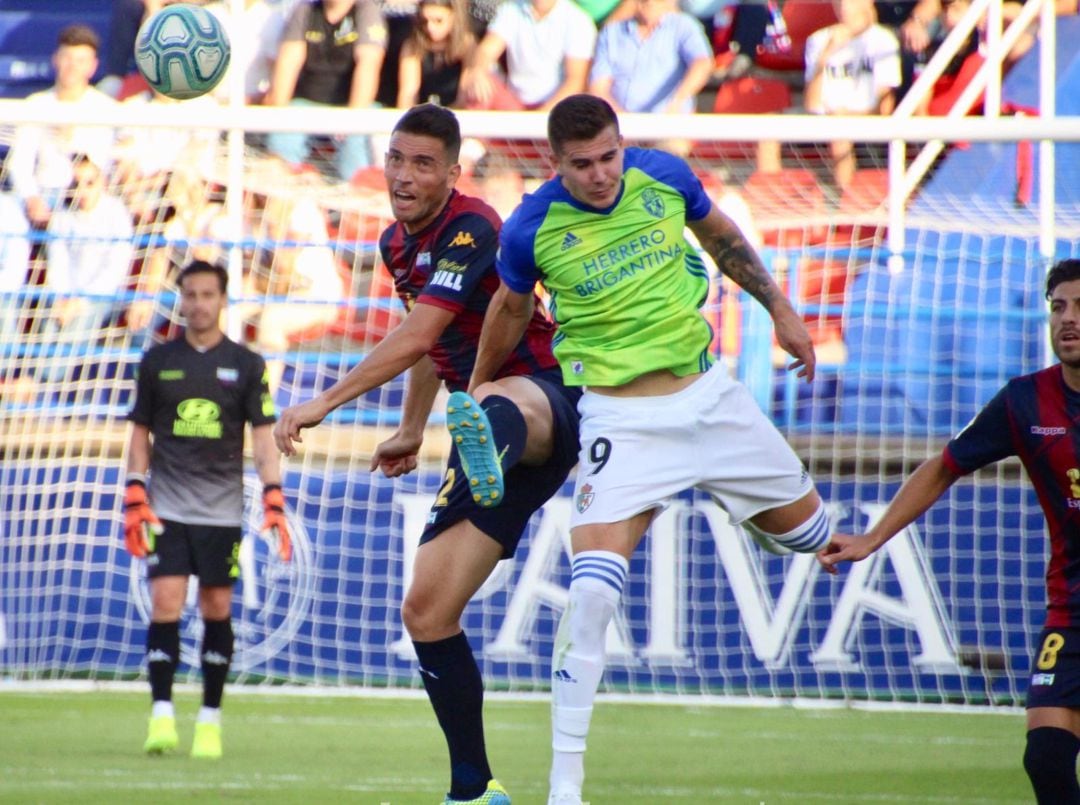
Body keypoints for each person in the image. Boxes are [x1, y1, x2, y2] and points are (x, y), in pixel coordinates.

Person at [464, 94, 832, 805]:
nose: (601, 174)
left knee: (810, 536)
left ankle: (717, 496)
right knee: (594, 591)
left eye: (609, 156)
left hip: (710, 400)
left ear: (621, 145)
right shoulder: (532, 227)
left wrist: (781, 308)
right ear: (556, 163)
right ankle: (565, 787)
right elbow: (510, 310)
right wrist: (480, 385)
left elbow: (722, 238)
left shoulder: (663, 176)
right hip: (619, 421)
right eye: (582, 165)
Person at [272, 103, 582, 805]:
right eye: (396, 159)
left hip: (542, 400)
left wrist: (326, 401)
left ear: (451, 171)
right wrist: (412, 427)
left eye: (423, 164)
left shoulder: (474, 226)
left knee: (500, 400)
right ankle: (475, 789)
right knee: (427, 611)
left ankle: (489, 449)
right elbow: (433, 342)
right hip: (472, 414)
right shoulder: (395, 243)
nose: (405, 176)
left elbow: (418, 335)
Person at [818, 258, 1080, 805]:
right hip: (1072, 612)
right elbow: (943, 466)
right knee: (1046, 759)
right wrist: (871, 539)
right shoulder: (1025, 401)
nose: (1068, 320)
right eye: (1058, 307)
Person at [123, 259, 291, 759]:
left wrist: (274, 493)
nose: (198, 304)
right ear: (181, 299)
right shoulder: (157, 361)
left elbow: (263, 436)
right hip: (167, 507)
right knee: (166, 603)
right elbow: (139, 431)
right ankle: (161, 715)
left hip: (220, 512)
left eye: (207, 295)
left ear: (222, 300)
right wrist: (134, 487)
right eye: (190, 295)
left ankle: (211, 720)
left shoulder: (246, 364)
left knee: (217, 608)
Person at [757, 0, 900, 189]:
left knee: (839, 131)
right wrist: (825, 56)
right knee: (767, 126)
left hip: (862, 118)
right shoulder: (819, 40)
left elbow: (884, 107)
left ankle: (845, 207)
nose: (844, 6)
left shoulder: (883, 40)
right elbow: (812, 105)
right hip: (825, 117)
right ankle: (771, 198)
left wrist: (846, 115)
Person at [5, 24, 116, 230]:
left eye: (81, 61)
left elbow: (103, 165)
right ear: (56, 59)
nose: (72, 66)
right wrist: (31, 198)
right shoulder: (36, 104)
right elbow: (20, 162)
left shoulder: (104, 108)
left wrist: (70, 139)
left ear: (92, 66)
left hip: (86, 196)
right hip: (44, 192)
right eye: (67, 58)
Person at [265, 0, 388, 181]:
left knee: (355, 149)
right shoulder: (305, 11)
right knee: (282, 141)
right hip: (306, 103)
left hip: (353, 107)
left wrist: (351, 121)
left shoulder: (366, 11)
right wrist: (279, 114)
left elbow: (369, 65)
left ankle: (350, 201)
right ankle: (282, 201)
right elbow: (288, 63)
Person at [460, 0, 597, 110]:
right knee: (476, 81)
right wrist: (478, 71)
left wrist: (541, 117)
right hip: (514, 103)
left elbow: (575, 81)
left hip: (556, 109)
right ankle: (473, 142)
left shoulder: (579, 21)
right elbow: (487, 50)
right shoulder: (511, 9)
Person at [396, 0, 477, 108]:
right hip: (422, 114)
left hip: (455, 112)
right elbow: (408, 93)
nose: (430, 27)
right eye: (425, 21)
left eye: (438, 21)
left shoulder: (467, 44)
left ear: (454, 18)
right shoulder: (412, 45)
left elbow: (464, 96)